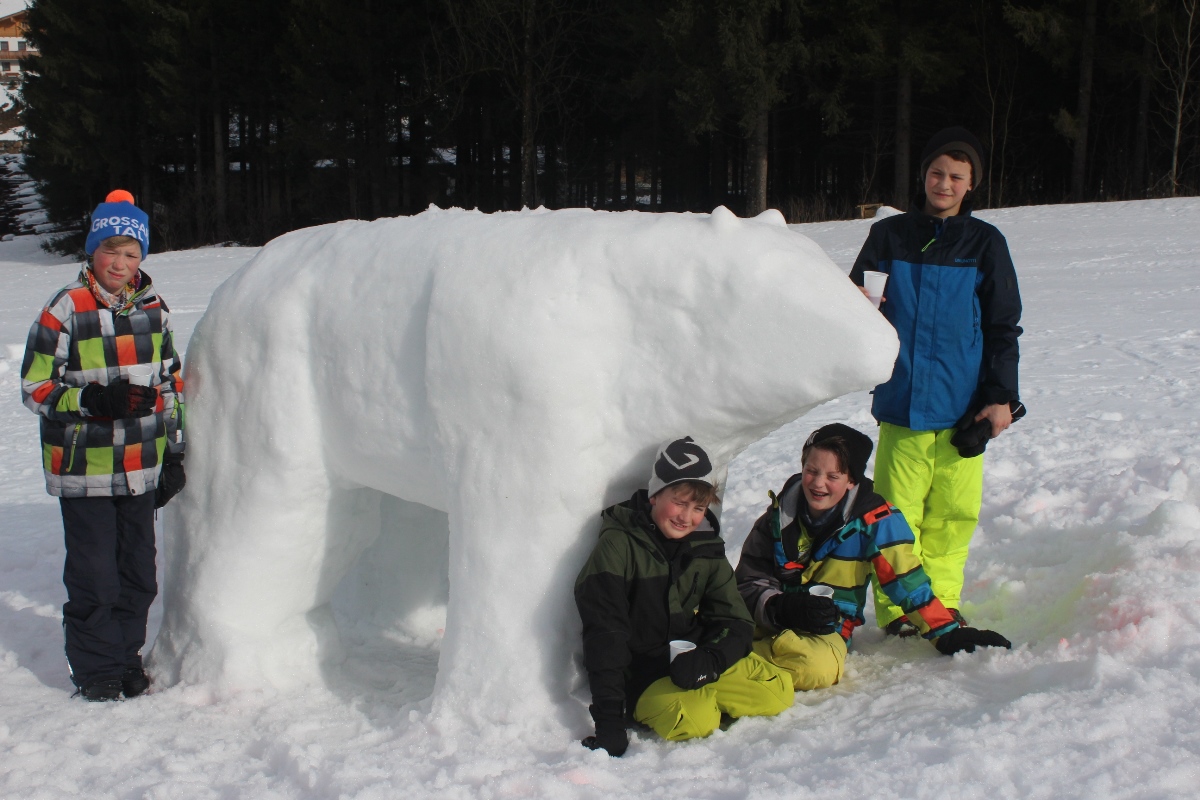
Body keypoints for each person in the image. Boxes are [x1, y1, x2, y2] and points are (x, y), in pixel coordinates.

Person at [848, 127, 1024, 636]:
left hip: (963, 411)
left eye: (956, 177)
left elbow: (1001, 327)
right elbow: (857, 304)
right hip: (902, 405)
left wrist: (998, 398)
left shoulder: (985, 243)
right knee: (895, 521)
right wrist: (861, 308)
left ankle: (940, 607)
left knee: (951, 517)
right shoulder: (889, 235)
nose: (943, 184)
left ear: (971, 185)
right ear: (923, 175)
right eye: (936, 173)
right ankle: (904, 612)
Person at [20, 190, 187, 701]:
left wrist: (174, 451)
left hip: (140, 466)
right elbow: (35, 388)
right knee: (96, 576)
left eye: (131, 253)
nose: (120, 262)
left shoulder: (155, 309)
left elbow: (170, 385)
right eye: (111, 249)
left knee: (137, 573)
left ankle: (125, 658)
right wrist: (94, 398)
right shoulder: (66, 308)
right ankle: (97, 671)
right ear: (93, 249)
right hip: (83, 468)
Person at [736, 424, 1010, 690]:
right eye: (811, 471)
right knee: (710, 620)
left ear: (851, 479)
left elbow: (906, 580)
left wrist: (947, 634)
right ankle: (730, 660)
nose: (818, 483)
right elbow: (747, 581)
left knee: (817, 668)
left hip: (825, 630)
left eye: (833, 476)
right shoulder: (778, 515)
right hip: (770, 616)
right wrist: (780, 607)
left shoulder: (876, 519)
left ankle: (732, 666)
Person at [574, 436, 794, 756]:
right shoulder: (619, 545)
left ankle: (706, 693)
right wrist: (609, 722)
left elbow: (734, 618)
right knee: (694, 718)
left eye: (698, 507)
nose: (686, 516)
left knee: (776, 692)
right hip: (641, 673)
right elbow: (604, 635)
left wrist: (711, 659)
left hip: (691, 660)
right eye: (679, 501)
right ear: (654, 495)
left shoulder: (704, 543)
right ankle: (690, 704)